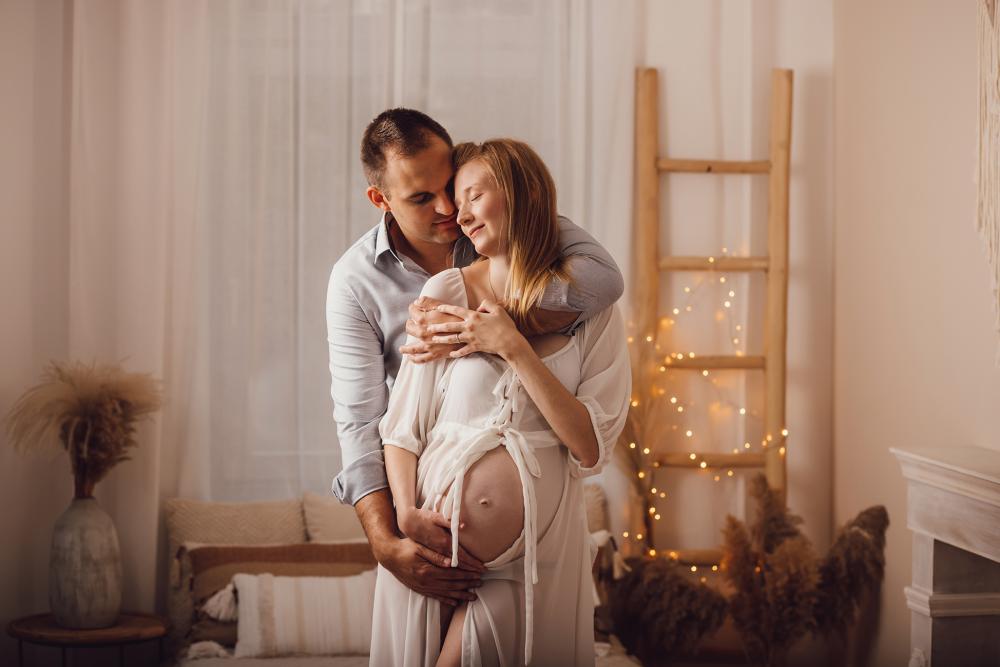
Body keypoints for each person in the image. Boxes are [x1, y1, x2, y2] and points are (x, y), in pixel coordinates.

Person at [326, 108, 624, 612]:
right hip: (427, 520)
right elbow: (363, 421)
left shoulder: (504, 225)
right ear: (381, 200)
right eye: (422, 198)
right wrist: (388, 539)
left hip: (536, 536)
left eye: (452, 186)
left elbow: (605, 283)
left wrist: (481, 327)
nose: (448, 209)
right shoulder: (355, 282)